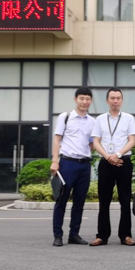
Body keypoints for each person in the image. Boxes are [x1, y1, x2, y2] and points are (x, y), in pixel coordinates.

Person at [90, 88, 135, 246]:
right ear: (107, 101)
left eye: (118, 98)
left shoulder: (129, 118)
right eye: (112, 98)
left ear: (122, 100)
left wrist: (117, 154)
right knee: (104, 200)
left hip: (123, 162)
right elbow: (96, 141)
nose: (115, 101)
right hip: (105, 162)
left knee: (125, 200)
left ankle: (126, 235)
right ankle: (102, 236)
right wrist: (108, 156)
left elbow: (131, 140)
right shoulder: (100, 119)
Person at [50, 87, 96, 247]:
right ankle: (58, 235)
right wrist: (55, 161)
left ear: (91, 101)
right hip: (67, 164)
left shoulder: (93, 121)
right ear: (75, 99)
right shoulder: (65, 117)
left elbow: (92, 143)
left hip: (84, 165)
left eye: (87, 99)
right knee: (61, 200)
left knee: (79, 202)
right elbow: (57, 139)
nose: (84, 102)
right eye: (81, 98)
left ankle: (74, 234)